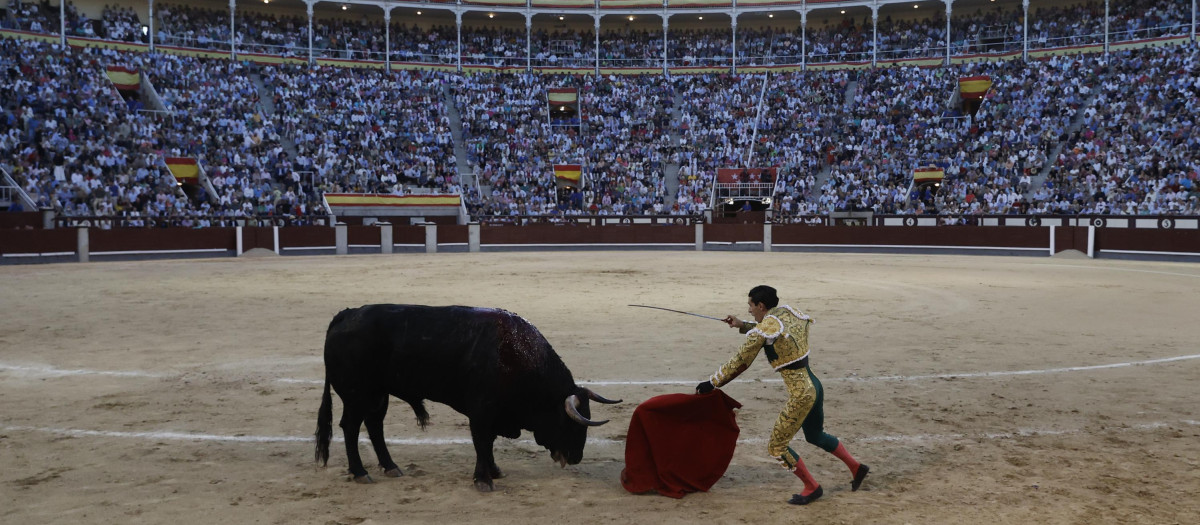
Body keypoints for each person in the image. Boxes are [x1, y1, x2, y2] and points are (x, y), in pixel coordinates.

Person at [696, 285, 869, 505]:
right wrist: (742, 325)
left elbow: (741, 361)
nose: (749, 310)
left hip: (801, 393)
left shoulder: (764, 328)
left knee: (777, 447)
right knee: (815, 435)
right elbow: (770, 331)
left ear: (761, 305)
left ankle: (812, 487)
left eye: (750, 306)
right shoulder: (788, 312)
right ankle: (856, 468)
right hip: (815, 384)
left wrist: (712, 383)